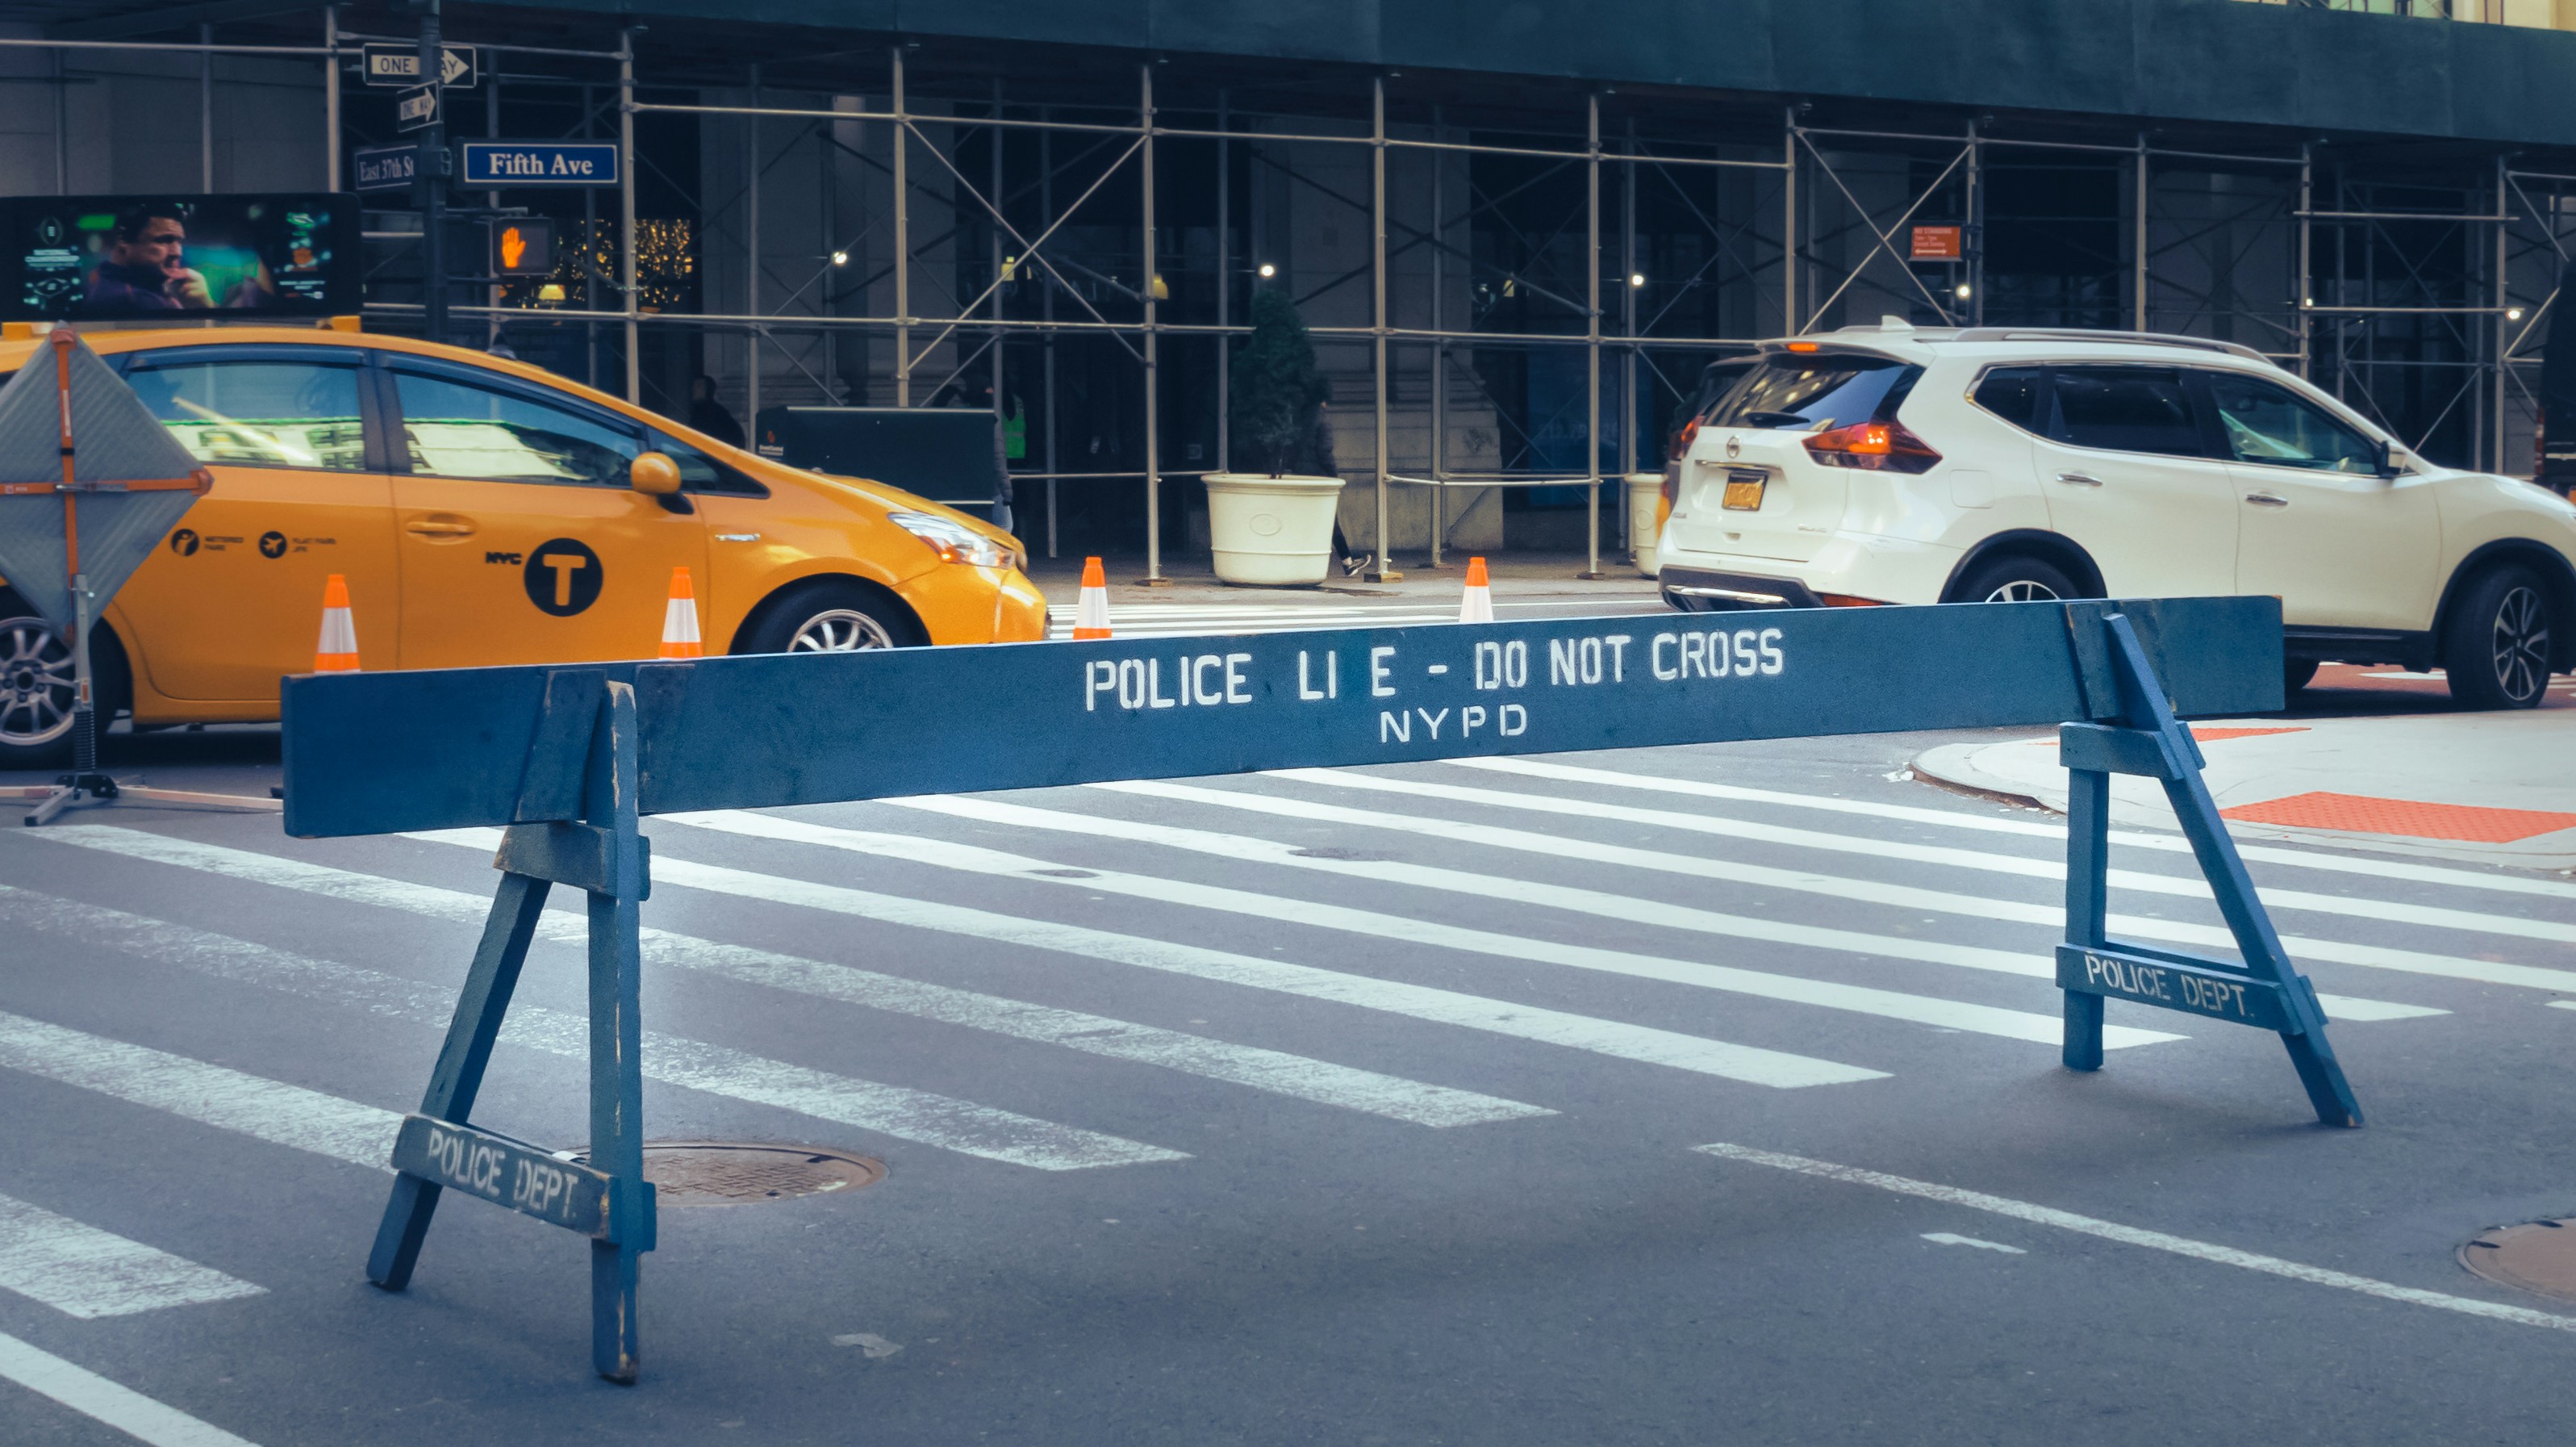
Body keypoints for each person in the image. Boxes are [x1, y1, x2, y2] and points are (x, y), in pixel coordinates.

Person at [78, 204, 211, 314]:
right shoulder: (136, 299)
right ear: (124, 241)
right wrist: (207, 309)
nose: (177, 253)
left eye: (179, 242)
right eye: (164, 240)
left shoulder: (122, 285)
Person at [689, 374, 745, 448]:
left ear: (708, 390)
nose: (694, 389)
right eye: (694, 385)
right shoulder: (716, 412)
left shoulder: (709, 414)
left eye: (699, 386)